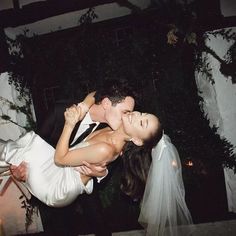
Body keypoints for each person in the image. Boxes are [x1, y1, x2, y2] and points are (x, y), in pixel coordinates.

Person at [8, 79, 137, 236]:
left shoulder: (113, 131)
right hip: (50, 182)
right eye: (125, 112)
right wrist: (21, 174)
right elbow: (34, 148)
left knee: (101, 227)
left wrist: (101, 174)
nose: (127, 118)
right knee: (59, 229)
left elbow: (109, 166)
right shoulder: (59, 112)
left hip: (82, 184)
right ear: (106, 103)